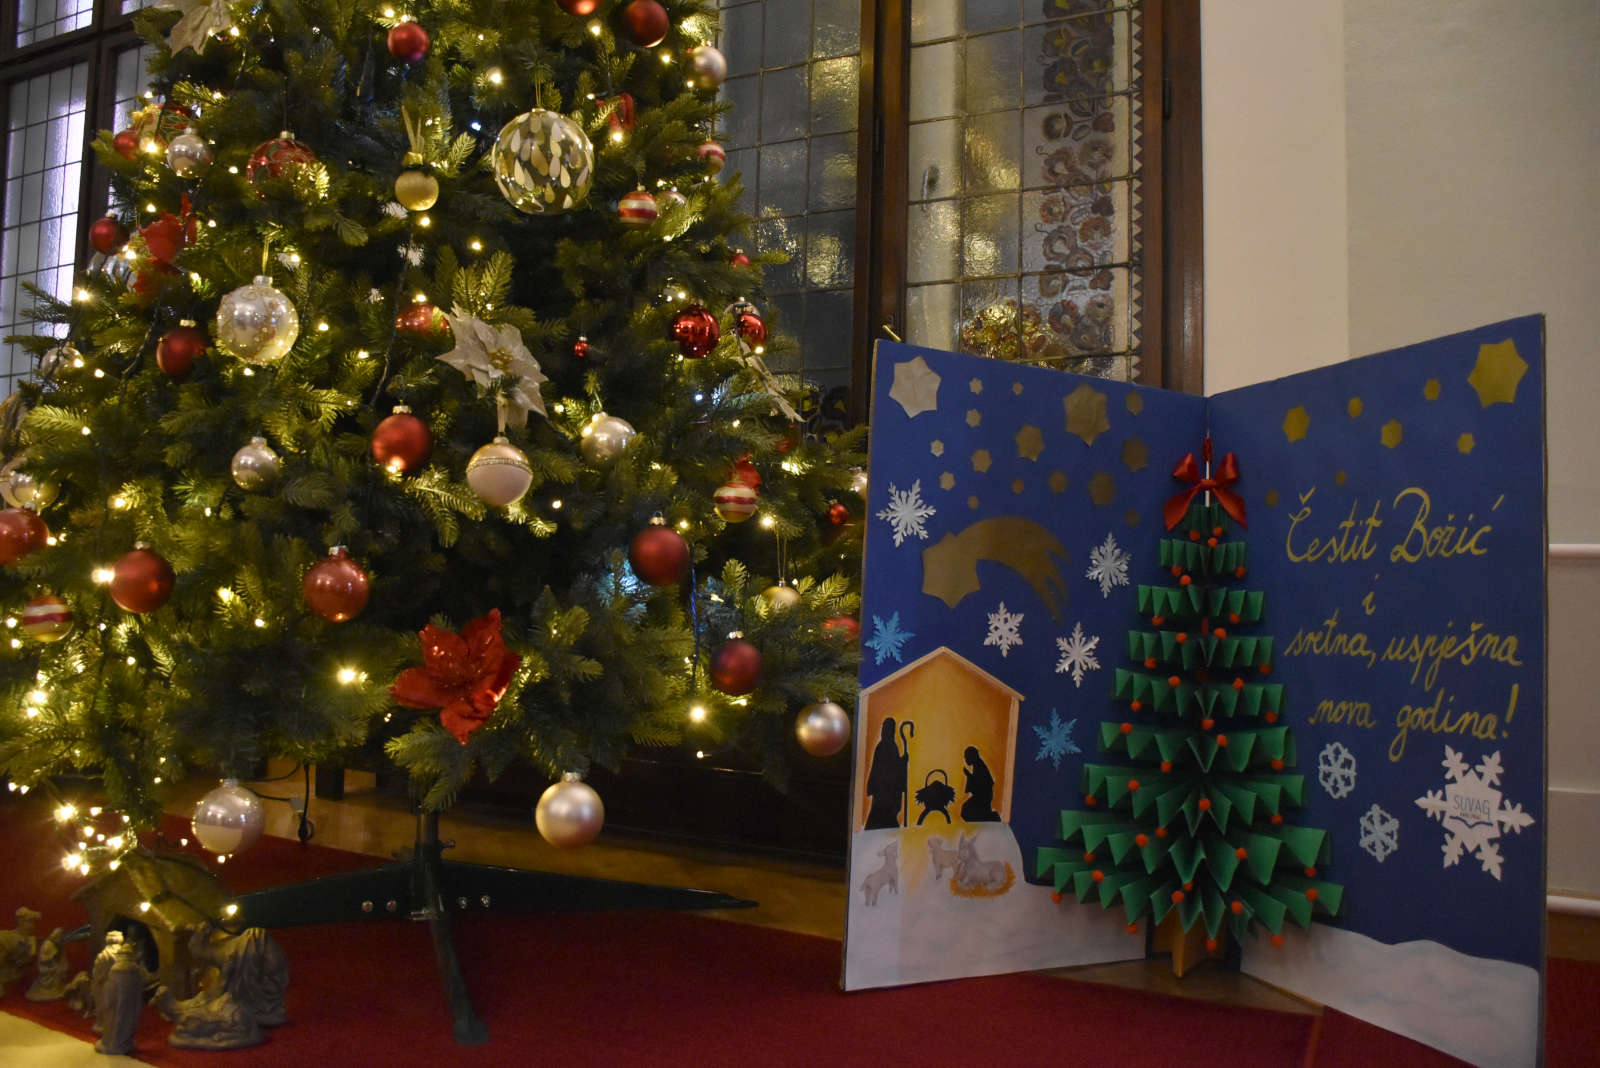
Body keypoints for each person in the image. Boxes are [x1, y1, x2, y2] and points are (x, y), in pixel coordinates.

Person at [863, 718, 909, 829]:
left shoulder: (886, 746)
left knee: (883, 816)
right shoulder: (887, 746)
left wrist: (902, 761)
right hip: (885, 793)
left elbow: (891, 766)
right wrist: (903, 761)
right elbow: (891, 768)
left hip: (884, 792)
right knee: (883, 815)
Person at [960, 745, 1000, 823]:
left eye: (967, 757)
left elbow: (980, 784)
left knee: (966, 810)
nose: (965, 759)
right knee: (965, 810)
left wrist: (968, 775)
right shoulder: (977, 765)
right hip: (981, 796)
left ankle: (989, 818)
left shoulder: (979, 766)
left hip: (983, 797)